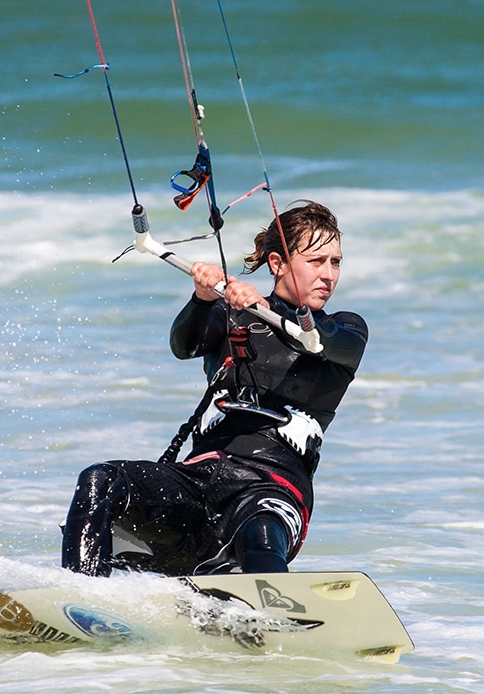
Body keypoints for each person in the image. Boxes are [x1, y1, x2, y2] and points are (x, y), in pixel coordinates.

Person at [61, 201, 367, 577]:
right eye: (316, 261)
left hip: (272, 489)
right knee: (100, 480)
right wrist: (204, 298)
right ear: (278, 264)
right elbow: (183, 346)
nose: (328, 274)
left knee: (260, 536)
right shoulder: (230, 314)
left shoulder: (347, 329)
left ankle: (276, 616)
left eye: (335, 262)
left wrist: (265, 308)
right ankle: (81, 598)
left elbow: (318, 339)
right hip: (201, 481)